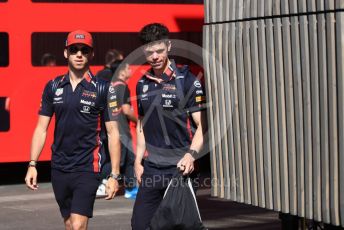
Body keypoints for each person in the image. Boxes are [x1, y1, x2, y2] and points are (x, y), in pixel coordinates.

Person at [25, 30, 121, 230]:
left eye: (84, 50)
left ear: (91, 54)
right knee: (69, 224)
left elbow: (113, 133)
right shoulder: (53, 86)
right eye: (74, 49)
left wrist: (114, 175)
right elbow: (41, 128)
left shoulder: (103, 88)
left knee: (78, 225)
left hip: (88, 167)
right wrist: (32, 164)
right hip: (59, 167)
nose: (79, 54)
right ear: (65, 53)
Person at [131, 23, 207, 230]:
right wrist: (138, 161)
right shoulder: (142, 83)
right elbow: (141, 124)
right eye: (149, 52)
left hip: (180, 169)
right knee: (139, 225)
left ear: (169, 47)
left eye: (159, 51)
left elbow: (202, 126)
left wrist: (191, 155)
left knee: (180, 225)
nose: (155, 56)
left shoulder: (187, 80)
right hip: (152, 168)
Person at [96, 60, 138, 199]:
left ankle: (130, 188)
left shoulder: (111, 86)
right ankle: (103, 183)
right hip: (121, 130)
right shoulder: (123, 87)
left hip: (112, 129)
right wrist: (138, 121)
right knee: (125, 160)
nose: (130, 71)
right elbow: (126, 110)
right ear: (122, 71)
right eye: (128, 68)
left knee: (123, 160)